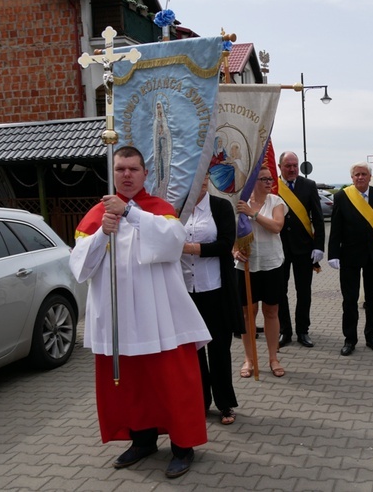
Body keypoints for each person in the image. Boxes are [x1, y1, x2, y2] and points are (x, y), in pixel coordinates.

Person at [69, 146, 211, 479]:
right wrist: (102, 232)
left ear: (145, 174)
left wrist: (130, 213)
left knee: (169, 382)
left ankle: (182, 447)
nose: (127, 175)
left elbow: (173, 243)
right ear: (113, 173)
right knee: (132, 384)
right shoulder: (96, 217)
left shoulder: (158, 211)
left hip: (159, 317)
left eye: (133, 169)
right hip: (120, 320)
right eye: (120, 169)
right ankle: (143, 439)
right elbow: (80, 266)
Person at [181, 173, 245, 426]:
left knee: (219, 348)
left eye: (206, 175)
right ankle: (200, 400)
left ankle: (224, 402)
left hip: (215, 288)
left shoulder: (220, 206)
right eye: (198, 176)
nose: (203, 180)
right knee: (193, 351)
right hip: (185, 290)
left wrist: (190, 248)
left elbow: (225, 244)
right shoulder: (176, 208)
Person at [328, 162, 373, 356]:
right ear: (352, 178)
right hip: (349, 255)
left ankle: (372, 336)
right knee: (349, 300)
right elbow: (336, 228)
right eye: (357, 174)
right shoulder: (342, 196)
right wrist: (333, 254)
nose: (360, 177)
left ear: (370, 177)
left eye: (364, 174)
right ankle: (349, 339)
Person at [234, 165, 288, 378]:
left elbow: (276, 226)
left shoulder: (276, 202)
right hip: (246, 264)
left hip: (271, 263)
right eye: (264, 179)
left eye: (270, 179)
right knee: (248, 313)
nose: (269, 182)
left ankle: (273, 357)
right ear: (253, 182)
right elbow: (230, 231)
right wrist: (234, 250)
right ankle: (249, 359)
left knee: (271, 311)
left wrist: (253, 214)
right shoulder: (240, 203)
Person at [276, 151, 325, 348]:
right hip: (278, 249)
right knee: (280, 292)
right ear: (280, 167)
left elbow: (318, 219)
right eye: (288, 166)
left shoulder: (309, 185)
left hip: (304, 249)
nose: (292, 169)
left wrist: (319, 247)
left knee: (304, 291)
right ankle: (284, 331)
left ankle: (303, 330)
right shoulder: (272, 185)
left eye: (295, 165)